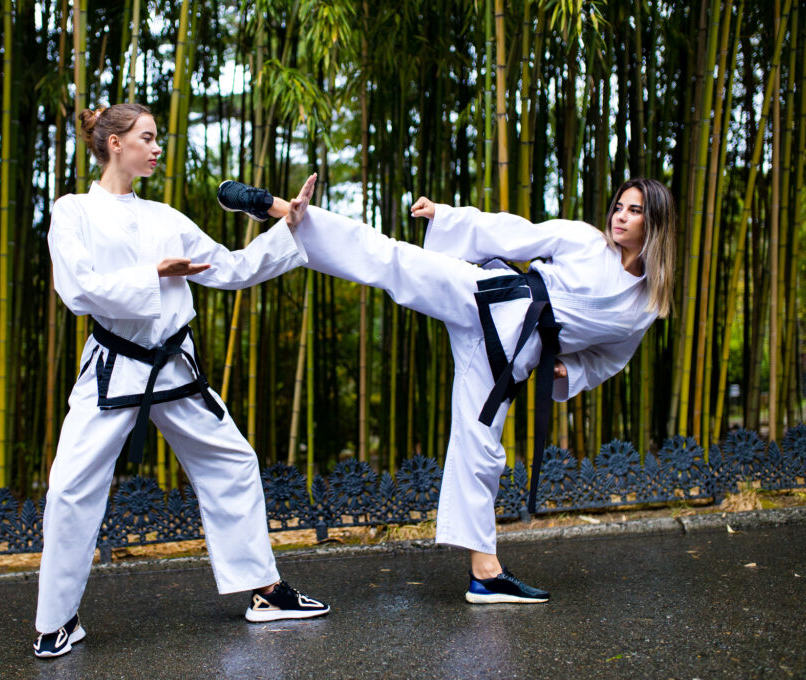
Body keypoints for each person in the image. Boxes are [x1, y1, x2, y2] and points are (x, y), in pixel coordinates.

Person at [217, 173, 675, 605]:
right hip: (493, 299)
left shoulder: (646, 305)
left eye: (633, 211)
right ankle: (288, 213)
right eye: (619, 206)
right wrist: (449, 217)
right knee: (397, 261)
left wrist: (568, 372)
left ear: (654, 223)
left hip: (512, 357)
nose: (619, 215)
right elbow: (514, 232)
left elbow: (613, 357)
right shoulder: (585, 241)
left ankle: (486, 574)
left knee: (481, 448)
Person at [34, 104, 329, 659]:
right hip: (113, 366)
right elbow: (79, 289)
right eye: (146, 138)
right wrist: (153, 275)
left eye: (157, 139)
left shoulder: (166, 216)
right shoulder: (73, 211)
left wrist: (288, 227)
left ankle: (265, 592)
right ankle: (56, 620)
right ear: (115, 143)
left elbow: (233, 269)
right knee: (70, 487)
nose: (156, 148)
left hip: (173, 365)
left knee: (233, 462)